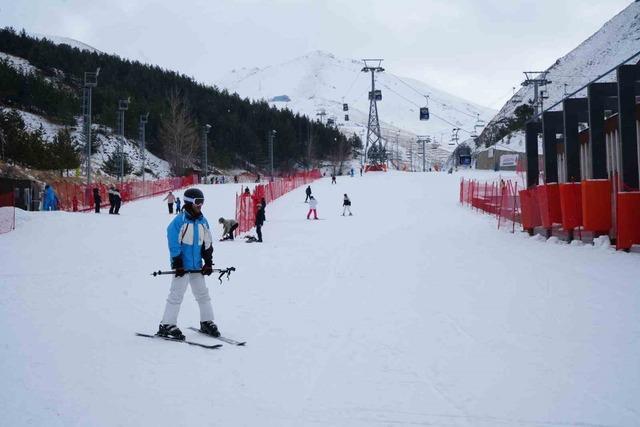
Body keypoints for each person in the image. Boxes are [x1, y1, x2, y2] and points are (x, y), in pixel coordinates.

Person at [157, 187, 219, 340]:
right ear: (189, 202)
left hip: (196, 266)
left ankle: (206, 321)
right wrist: (178, 263)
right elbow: (173, 243)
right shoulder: (179, 221)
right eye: (198, 202)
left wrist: (208, 262)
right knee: (176, 295)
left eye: (202, 201)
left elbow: (207, 243)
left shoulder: (203, 221)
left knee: (203, 294)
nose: (200, 205)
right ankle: (167, 324)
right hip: (182, 267)